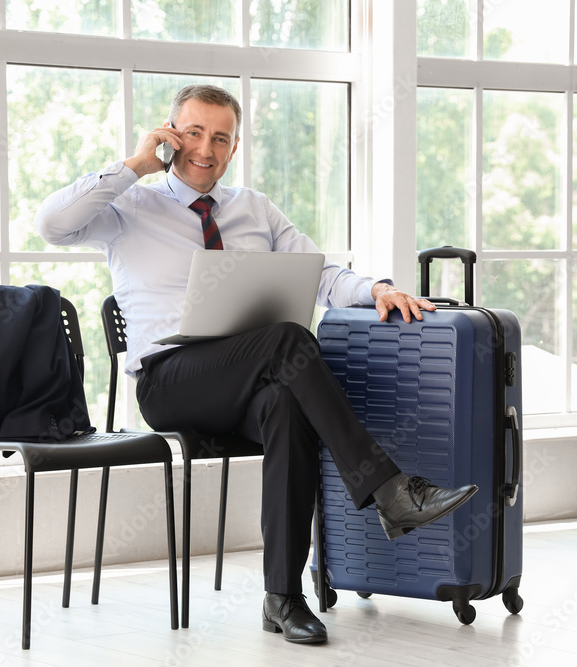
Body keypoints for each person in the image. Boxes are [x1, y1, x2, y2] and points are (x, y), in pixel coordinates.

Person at [35, 84, 477, 645]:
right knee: (287, 340)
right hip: (170, 381)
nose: (206, 148)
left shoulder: (254, 209)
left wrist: (378, 289)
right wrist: (135, 165)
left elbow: (323, 276)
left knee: (287, 405)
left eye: (220, 138)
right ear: (170, 135)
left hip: (247, 382)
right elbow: (52, 223)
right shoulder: (129, 208)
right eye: (193, 132)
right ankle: (390, 491)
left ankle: (282, 598)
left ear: (234, 145)